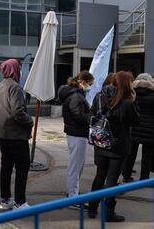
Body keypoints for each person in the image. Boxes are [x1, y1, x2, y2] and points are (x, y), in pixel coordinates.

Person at [88, 71, 140, 222]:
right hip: (118, 146)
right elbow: (136, 121)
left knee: (99, 176)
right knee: (111, 180)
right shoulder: (126, 102)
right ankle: (109, 213)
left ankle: (92, 208)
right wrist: (134, 101)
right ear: (125, 83)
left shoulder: (100, 96)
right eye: (131, 82)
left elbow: (90, 116)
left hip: (101, 142)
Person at [0, 59, 33, 210]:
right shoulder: (15, 87)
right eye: (19, 68)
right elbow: (17, 111)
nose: (21, 71)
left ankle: (5, 199)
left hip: (3, 134)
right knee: (22, 168)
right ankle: (20, 202)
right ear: (14, 69)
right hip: (16, 136)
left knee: (6, 168)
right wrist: (29, 121)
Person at [58, 71, 94, 206]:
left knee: (77, 165)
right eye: (90, 84)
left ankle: (73, 193)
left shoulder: (74, 94)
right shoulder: (76, 96)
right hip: (77, 133)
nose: (90, 86)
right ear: (83, 82)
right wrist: (92, 115)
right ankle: (73, 196)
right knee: (75, 166)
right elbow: (79, 117)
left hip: (75, 133)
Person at [122, 73, 154, 181]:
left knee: (130, 154)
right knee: (147, 155)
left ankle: (126, 175)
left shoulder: (131, 93)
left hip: (133, 127)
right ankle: (144, 178)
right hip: (149, 129)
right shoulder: (153, 95)